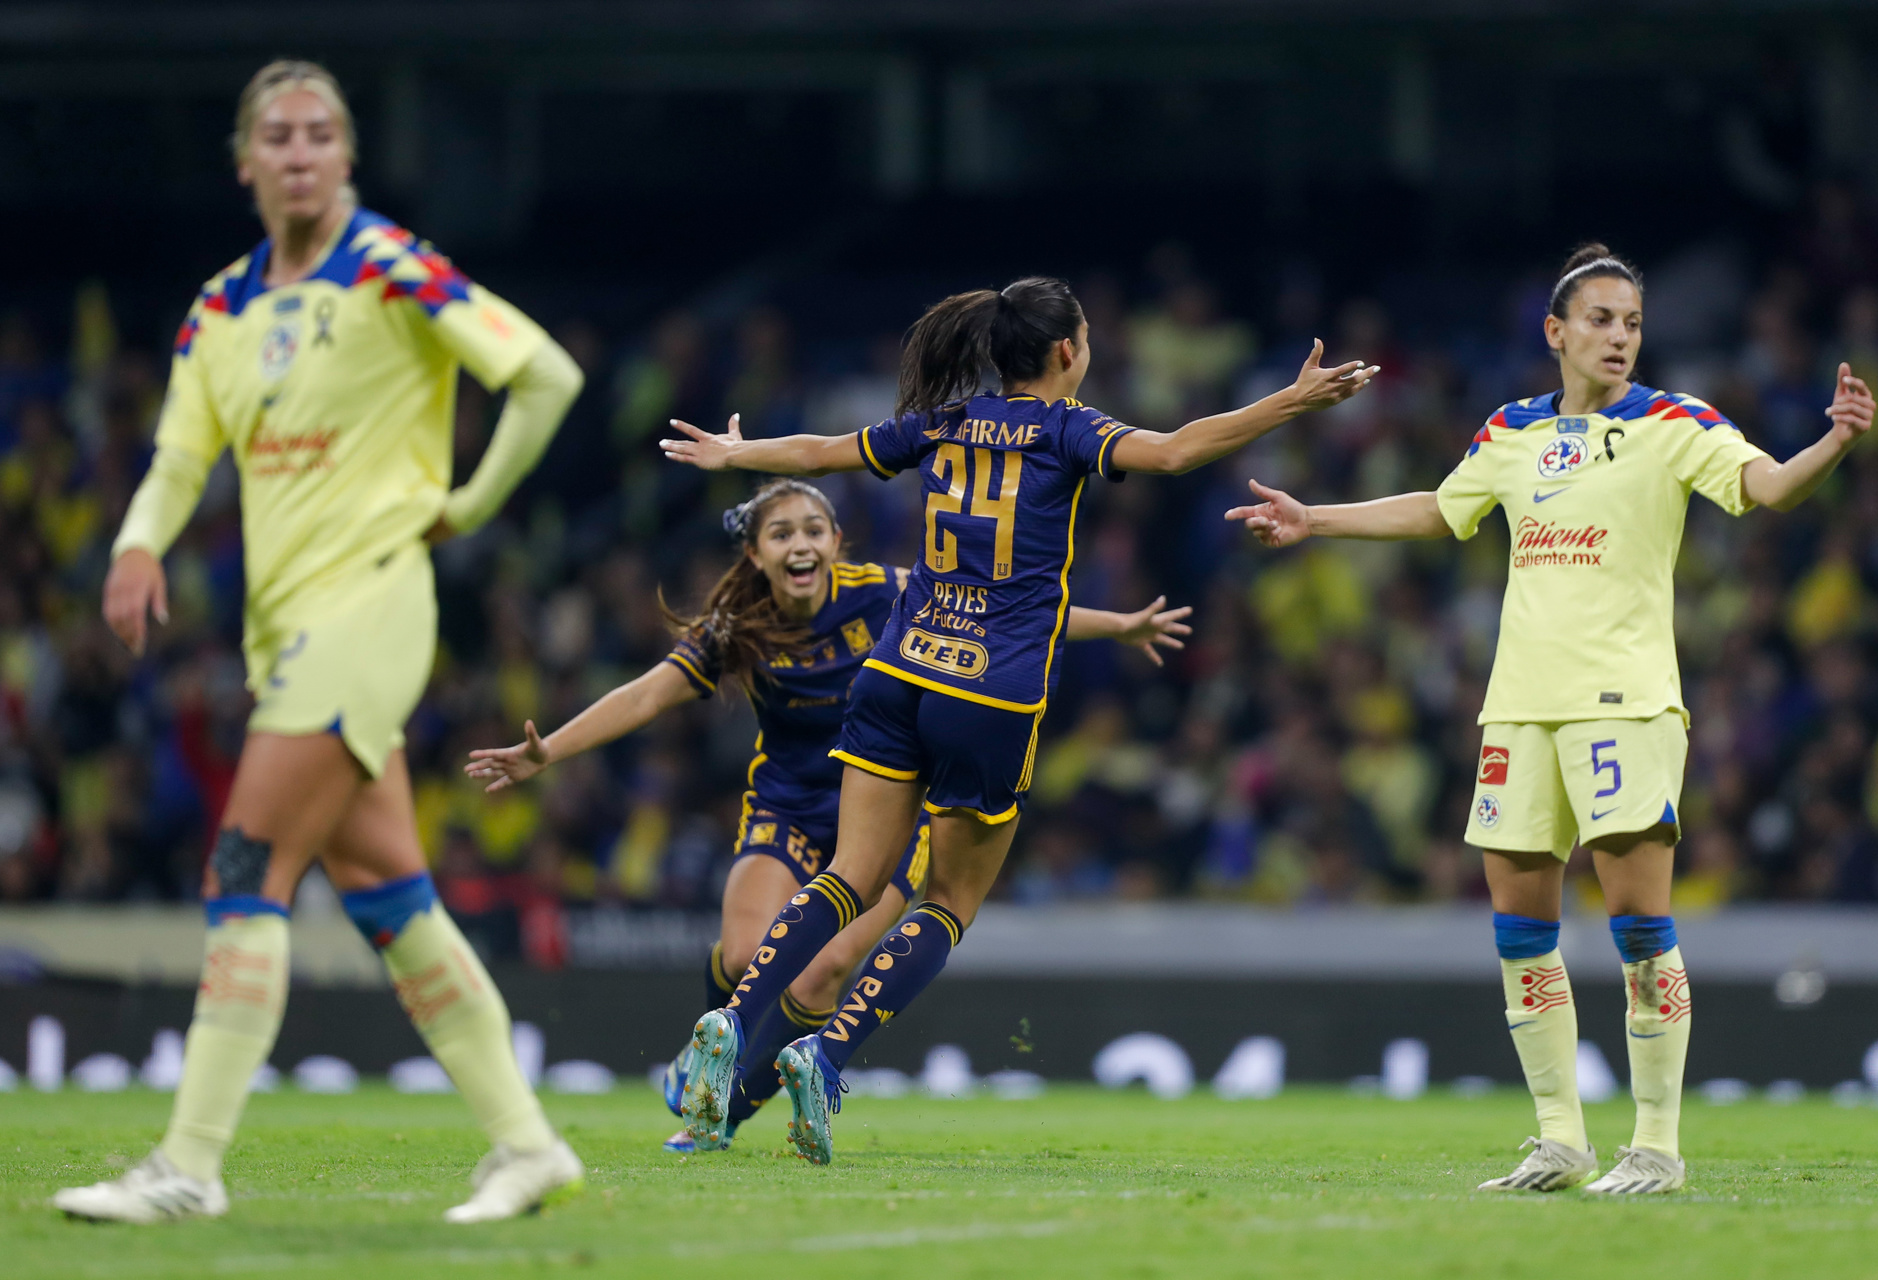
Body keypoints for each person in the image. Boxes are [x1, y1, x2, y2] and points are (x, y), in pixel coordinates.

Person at [659, 276, 1375, 1162]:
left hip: (897, 668)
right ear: (1070, 350)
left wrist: (738, 457)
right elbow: (1180, 450)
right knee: (947, 900)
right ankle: (827, 1052)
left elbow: (820, 453)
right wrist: (1292, 400)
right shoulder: (1072, 427)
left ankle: (731, 1017)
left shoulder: (946, 420)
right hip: (990, 693)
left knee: (848, 874)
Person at [53, 61, 586, 1224]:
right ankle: (527, 1142)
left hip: (373, 605)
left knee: (244, 868)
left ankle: (189, 1161)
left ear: (349, 157)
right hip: (284, 635)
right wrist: (137, 545)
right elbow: (179, 461)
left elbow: (544, 373)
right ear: (245, 162)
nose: (301, 153)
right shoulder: (220, 309)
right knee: (391, 899)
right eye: (278, 137)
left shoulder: (391, 268)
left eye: (322, 135)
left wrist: (472, 500)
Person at [1227, 243, 1877, 1195]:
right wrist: (1315, 519)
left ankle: (1656, 1146)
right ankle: (1561, 1141)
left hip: (1625, 701)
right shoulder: (1512, 429)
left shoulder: (1675, 422)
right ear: (1556, 332)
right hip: (1519, 709)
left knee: (1639, 925)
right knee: (1521, 931)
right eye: (1603, 320)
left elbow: (1770, 487)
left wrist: (1835, 442)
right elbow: (1442, 511)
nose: (1620, 338)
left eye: (1634, 323)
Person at [465, 478, 1192, 1152]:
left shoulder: (885, 593)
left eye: (814, 529)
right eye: (781, 534)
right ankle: (710, 1042)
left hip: (885, 816)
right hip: (788, 810)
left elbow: (1006, 614)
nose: (801, 544)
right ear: (756, 554)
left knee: (827, 971)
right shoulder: (736, 624)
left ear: (837, 542)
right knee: (749, 959)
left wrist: (1120, 625)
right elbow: (648, 695)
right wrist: (548, 751)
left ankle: (722, 1113)